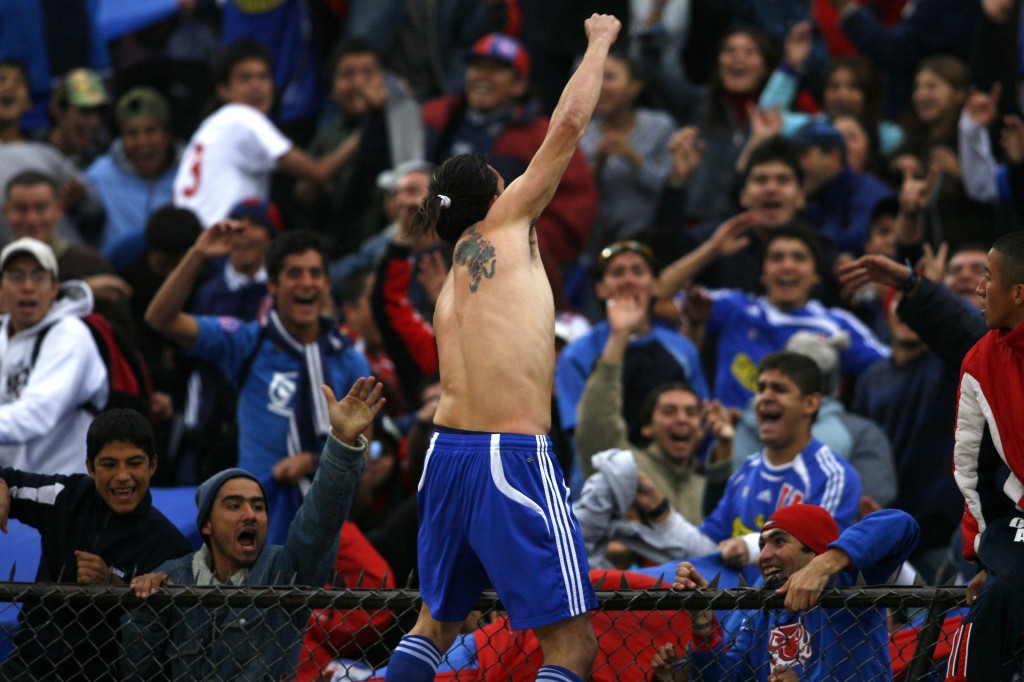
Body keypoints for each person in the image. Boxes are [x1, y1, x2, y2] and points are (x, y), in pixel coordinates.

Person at [382, 15, 622, 682]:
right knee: (572, 647)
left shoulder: (449, 284)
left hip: (448, 457)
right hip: (506, 454)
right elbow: (569, 126)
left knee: (435, 623)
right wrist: (599, 40)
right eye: (500, 173)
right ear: (493, 193)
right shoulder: (508, 223)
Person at [121, 377, 382, 681]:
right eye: (234, 506)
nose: (250, 515)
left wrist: (341, 444)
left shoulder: (284, 571)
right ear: (206, 523)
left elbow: (318, 522)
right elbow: (138, 669)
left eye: (258, 506)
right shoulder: (173, 577)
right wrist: (143, 606)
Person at [144, 226, 372, 531]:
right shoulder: (247, 342)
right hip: (257, 522)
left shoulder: (349, 359)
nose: (307, 283)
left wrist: (313, 461)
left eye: (315, 273)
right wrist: (197, 256)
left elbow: (363, 452)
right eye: (294, 273)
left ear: (327, 284)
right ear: (273, 285)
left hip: (326, 520)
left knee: (372, 575)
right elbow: (160, 318)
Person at [0, 408, 192, 681]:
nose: (123, 475)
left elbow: (166, 630)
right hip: (30, 666)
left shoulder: (170, 544)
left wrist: (112, 583)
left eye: (135, 463)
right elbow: (10, 478)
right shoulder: (66, 497)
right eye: (109, 464)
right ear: (90, 467)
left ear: (153, 465)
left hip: (104, 675)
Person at [651, 504, 920, 681]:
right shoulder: (761, 607)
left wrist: (826, 564)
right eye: (762, 545)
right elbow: (730, 676)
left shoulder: (850, 582)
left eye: (779, 541)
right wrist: (704, 628)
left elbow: (901, 523)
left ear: (814, 550)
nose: (764, 556)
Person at [659, 223, 889, 409]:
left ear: (815, 276)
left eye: (799, 258)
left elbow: (892, 366)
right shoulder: (735, 307)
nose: (787, 266)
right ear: (763, 274)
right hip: (726, 449)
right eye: (776, 258)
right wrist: (711, 250)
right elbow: (657, 297)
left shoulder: (836, 325)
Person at [172, 39, 363, 227]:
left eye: (263, 77)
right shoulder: (242, 116)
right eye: (245, 78)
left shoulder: (212, 125)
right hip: (215, 241)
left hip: (192, 239)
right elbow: (320, 171)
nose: (257, 86)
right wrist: (365, 132)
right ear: (224, 90)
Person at [945, 232, 1024, 680]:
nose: (979, 287)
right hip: (1017, 518)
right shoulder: (979, 359)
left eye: (988, 277)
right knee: (1004, 589)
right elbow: (969, 467)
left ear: (1017, 293)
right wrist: (980, 554)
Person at [0, 237, 108, 473]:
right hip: (12, 488)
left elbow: (37, 414)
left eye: (39, 277)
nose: (28, 286)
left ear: (54, 288)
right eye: (16, 276)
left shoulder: (70, 334)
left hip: (67, 491)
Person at [84, 87, 181, 259]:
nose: (142, 141)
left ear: (168, 135)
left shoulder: (191, 172)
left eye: (151, 130)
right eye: (132, 133)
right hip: (119, 272)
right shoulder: (100, 175)